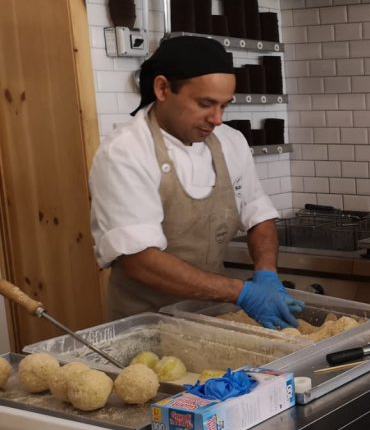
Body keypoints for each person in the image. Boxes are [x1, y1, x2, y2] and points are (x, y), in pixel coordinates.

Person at [89, 35, 302, 328]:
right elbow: (139, 261)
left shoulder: (230, 141)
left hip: (211, 318)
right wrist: (242, 293)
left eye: (224, 106)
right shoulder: (125, 152)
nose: (217, 119)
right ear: (162, 88)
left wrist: (267, 274)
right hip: (146, 327)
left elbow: (257, 213)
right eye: (205, 104)